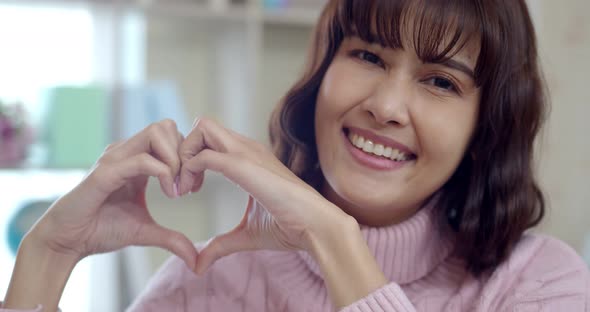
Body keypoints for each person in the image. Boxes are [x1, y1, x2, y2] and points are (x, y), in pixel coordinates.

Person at [3, 0, 590, 311]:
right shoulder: (216, 277)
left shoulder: (540, 285)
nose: (386, 106)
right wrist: (47, 254)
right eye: (368, 56)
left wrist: (335, 241)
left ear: (486, 123)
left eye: (440, 82)